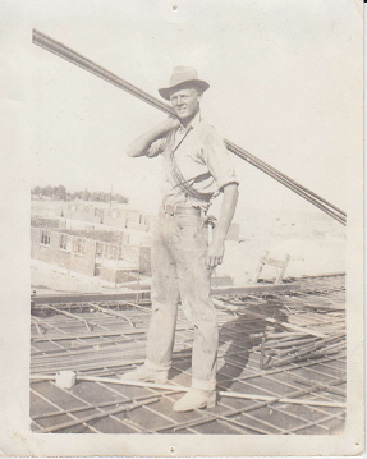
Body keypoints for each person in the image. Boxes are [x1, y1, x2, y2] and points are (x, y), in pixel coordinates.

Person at [124, 66, 239, 411]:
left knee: (199, 307)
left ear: (198, 96)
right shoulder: (173, 134)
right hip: (164, 222)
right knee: (162, 298)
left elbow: (230, 187)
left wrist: (219, 240)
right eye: (173, 96)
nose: (178, 100)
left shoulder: (208, 136)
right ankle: (157, 367)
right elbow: (132, 150)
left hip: (191, 223)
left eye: (184, 94)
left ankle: (203, 388)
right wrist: (165, 124)